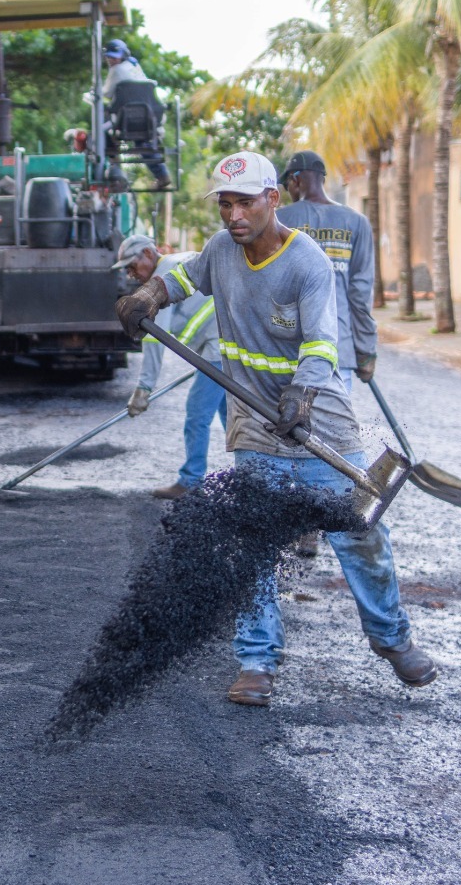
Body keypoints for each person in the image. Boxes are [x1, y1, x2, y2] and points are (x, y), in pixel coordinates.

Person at [115, 151, 438, 709]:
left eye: (245, 202)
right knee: (251, 538)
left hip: (320, 418)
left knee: (359, 534)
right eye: (225, 203)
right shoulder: (221, 250)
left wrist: (302, 392)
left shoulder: (307, 262)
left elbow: (320, 343)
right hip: (254, 422)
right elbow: (185, 276)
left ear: (274, 199)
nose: (234, 214)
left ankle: (392, 639)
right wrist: (151, 293)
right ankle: (256, 660)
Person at [112, 234, 228, 500]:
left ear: (148, 254)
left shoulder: (164, 277)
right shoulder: (175, 263)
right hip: (220, 348)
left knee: (197, 414)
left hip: (218, 351)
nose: (130, 274)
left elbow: (154, 336)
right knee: (232, 416)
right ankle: (253, 475)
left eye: (132, 265)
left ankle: (191, 481)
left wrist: (143, 388)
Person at [279, 150, 378, 392]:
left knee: (283, 426)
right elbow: (361, 294)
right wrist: (366, 350)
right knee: (333, 426)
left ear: (296, 180)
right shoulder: (357, 222)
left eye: (287, 185)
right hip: (337, 349)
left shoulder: (278, 220)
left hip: (286, 351)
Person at [86, 38, 171, 188]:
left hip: (126, 121)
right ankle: (162, 174)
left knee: (101, 130)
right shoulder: (135, 66)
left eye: (115, 56)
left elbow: (105, 94)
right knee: (143, 141)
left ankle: (113, 166)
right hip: (147, 119)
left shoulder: (116, 70)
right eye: (109, 56)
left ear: (123, 55)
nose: (112, 59)